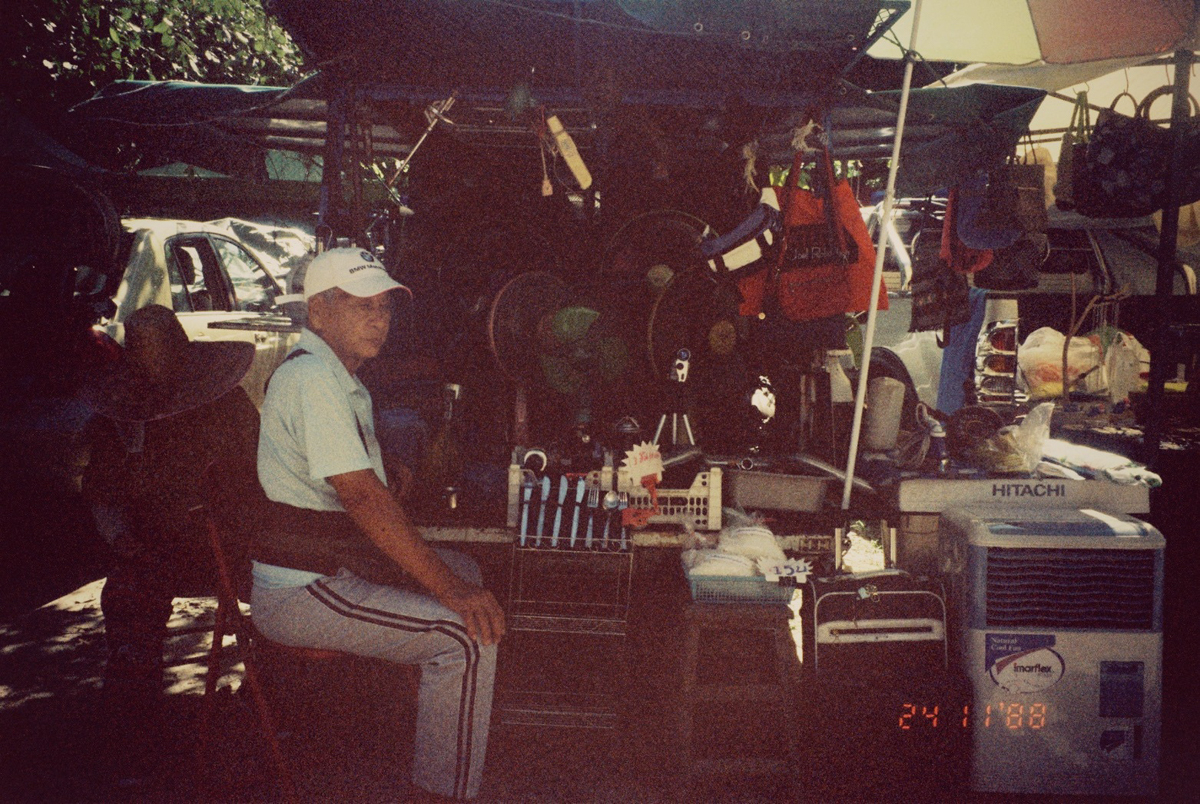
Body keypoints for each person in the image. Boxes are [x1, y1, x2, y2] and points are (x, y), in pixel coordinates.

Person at [250, 247, 505, 802]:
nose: (378, 319)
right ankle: (443, 792)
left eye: (384, 307)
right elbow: (363, 499)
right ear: (319, 312)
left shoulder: (335, 376)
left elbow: (359, 489)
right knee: (464, 634)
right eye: (361, 305)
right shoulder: (313, 377)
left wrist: (393, 481)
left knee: (466, 570)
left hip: (331, 564)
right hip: (303, 589)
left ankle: (438, 735)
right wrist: (448, 589)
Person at [82, 304, 262, 772]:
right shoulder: (118, 418)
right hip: (153, 548)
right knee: (128, 600)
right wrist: (119, 535)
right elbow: (102, 488)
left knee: (283, 591)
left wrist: (241, 521)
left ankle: (269, 704)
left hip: (235, 544)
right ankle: (132, 734)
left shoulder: (228, 404)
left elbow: (261, 472)